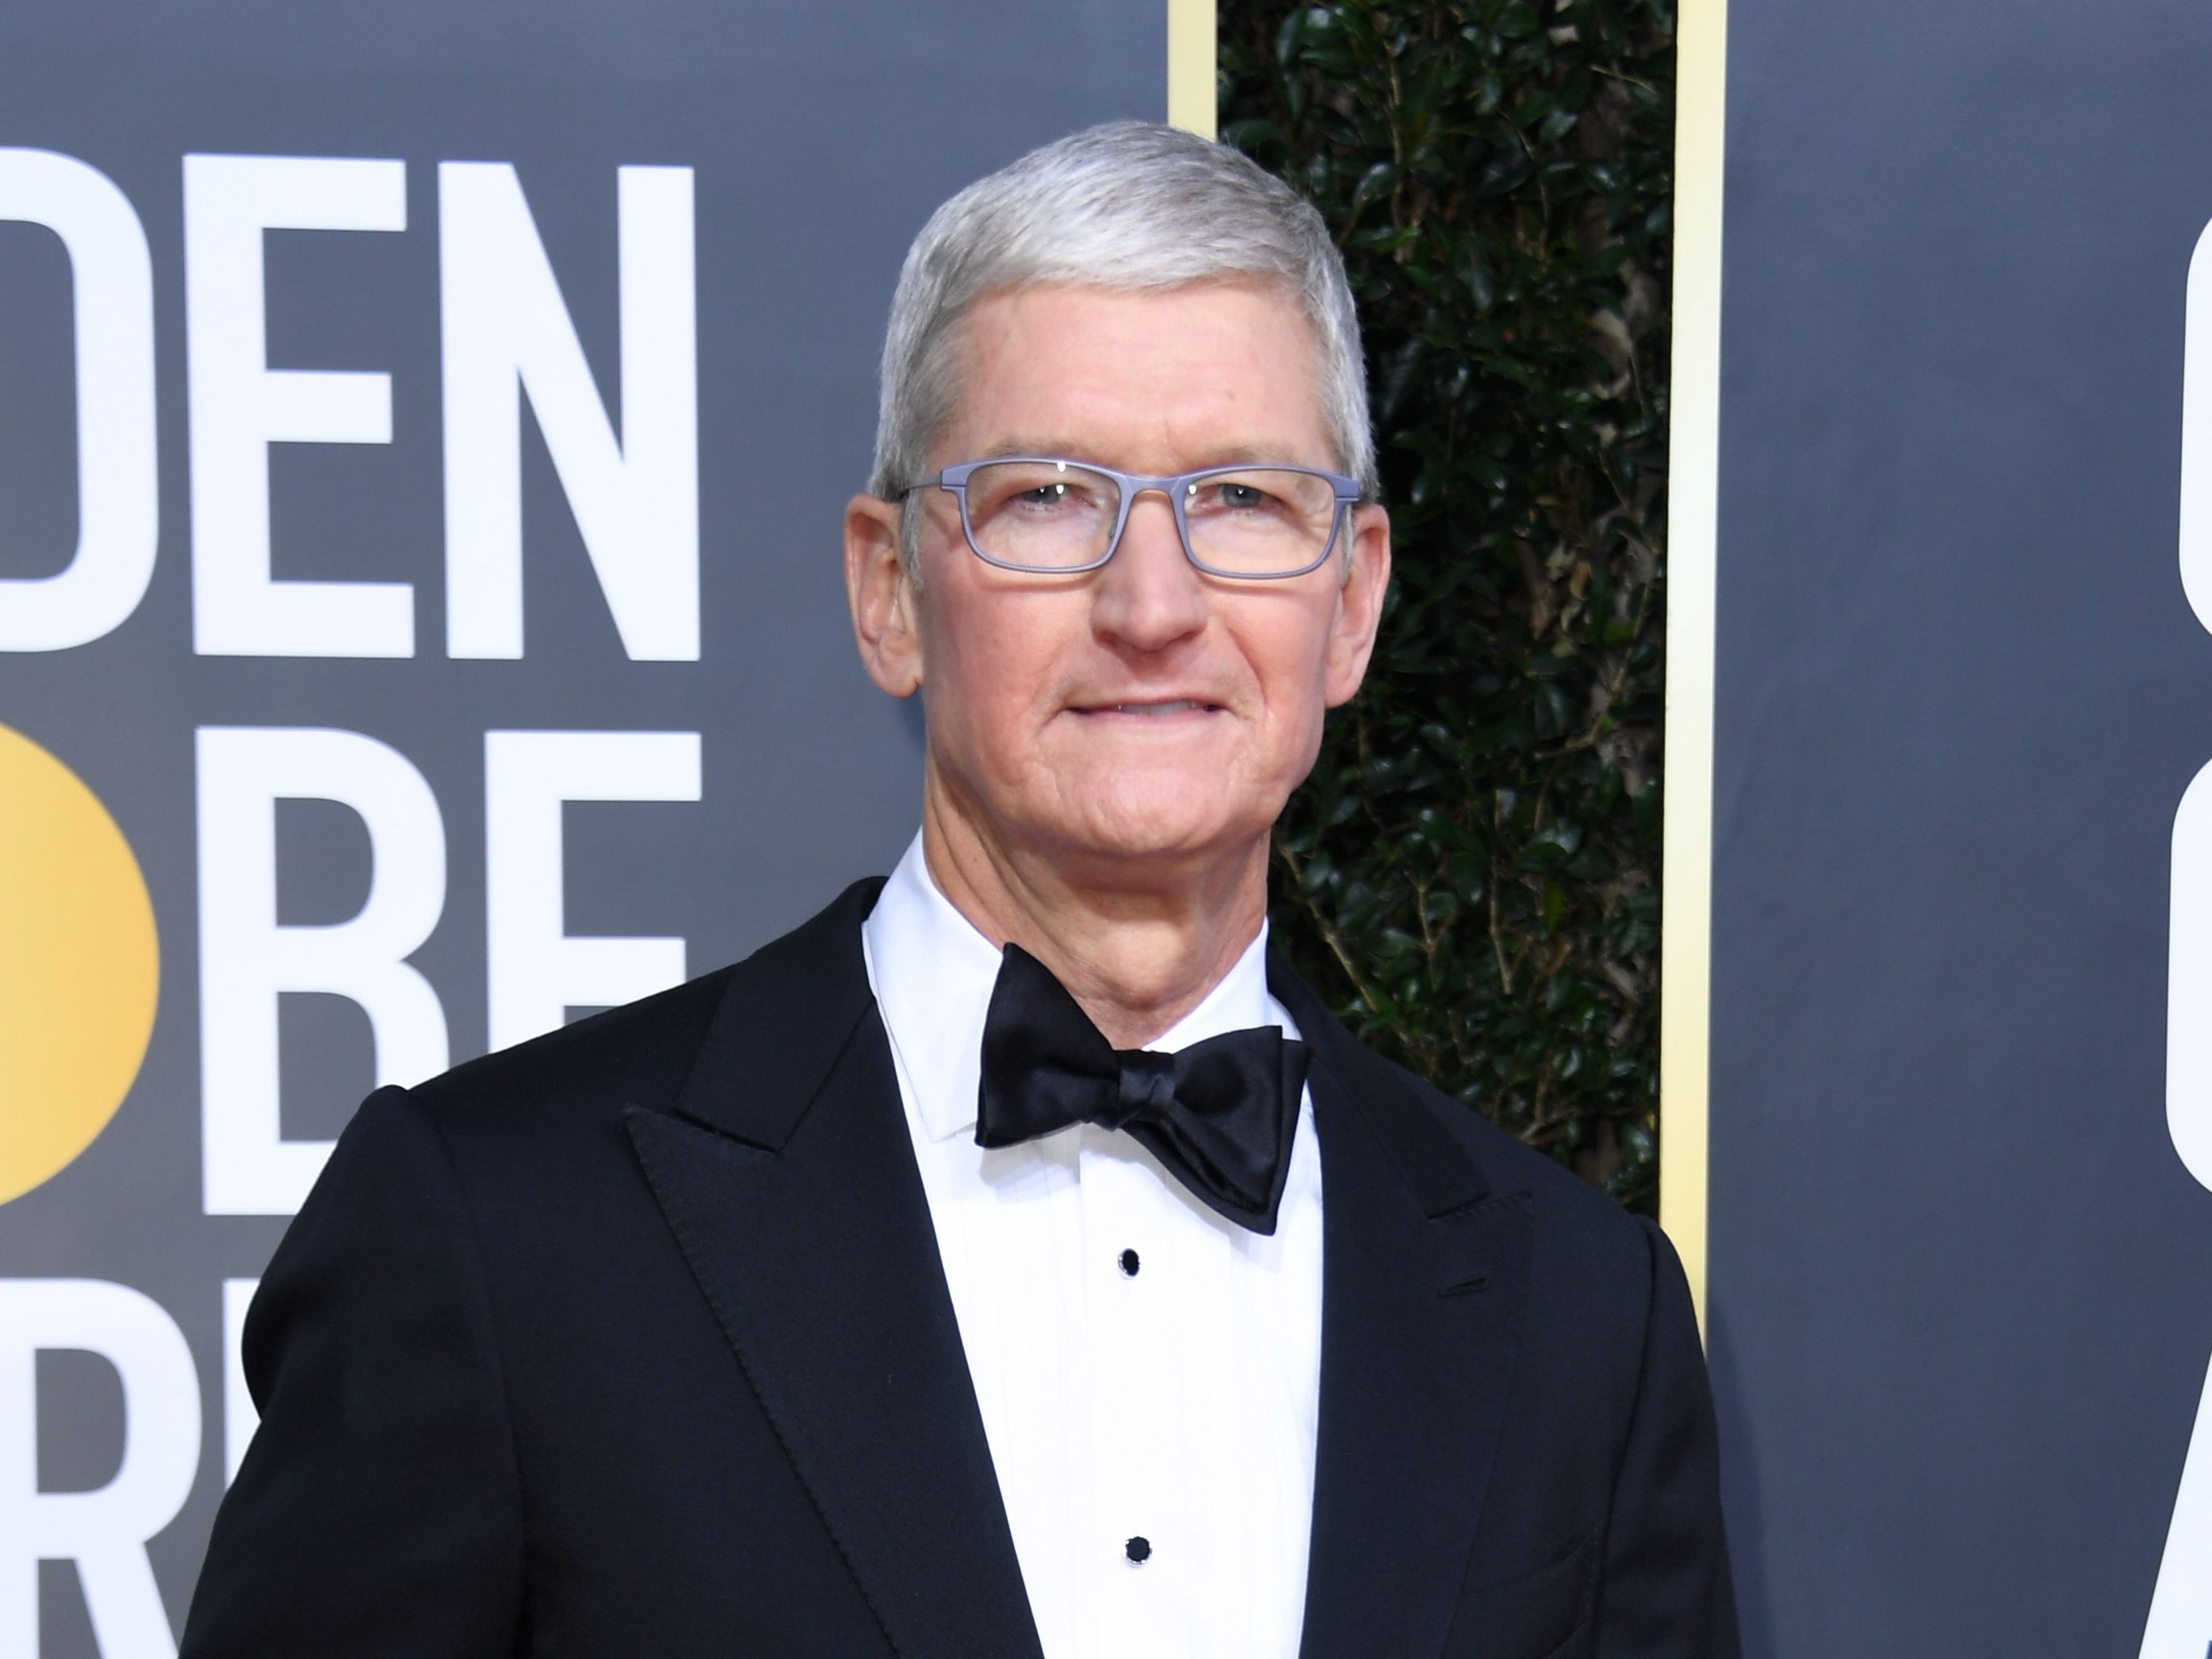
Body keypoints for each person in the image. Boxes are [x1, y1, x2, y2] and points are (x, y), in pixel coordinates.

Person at [180, 121, 1736, 1659]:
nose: (1154, 606)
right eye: (1049, 497)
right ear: (888, 591)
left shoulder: (1582, 1314)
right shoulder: (498, 1232)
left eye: (1244, 501)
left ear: (1353, 603)